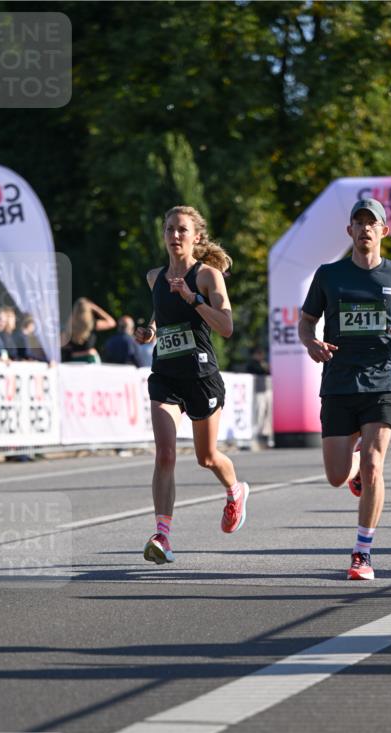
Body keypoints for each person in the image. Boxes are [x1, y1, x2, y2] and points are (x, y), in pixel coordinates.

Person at [299, 198, 391, 581]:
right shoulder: (329, 275)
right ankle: (354, 469)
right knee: (336, 477)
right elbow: (307, 320)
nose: (364, 229)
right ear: (350, 232)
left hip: (383, 381)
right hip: (339, 383)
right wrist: (311, 343)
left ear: (383, 231)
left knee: (375, 462)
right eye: (357, 223)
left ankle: (362, 552)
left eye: (371, 223)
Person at [134, 204, 249, 565]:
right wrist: (149, 331)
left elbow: (226, 327)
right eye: (169, 229)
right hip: (165, 374)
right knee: (165, 453)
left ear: (196, 237)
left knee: (206, 457)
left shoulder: (207, 276)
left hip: (201, 377)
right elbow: (160, 312)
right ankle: (162, 536)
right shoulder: (155, 277)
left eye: (182, 230)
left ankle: (235, 491)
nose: (174, 236)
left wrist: (194, 299)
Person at [61, 297, 115, 362]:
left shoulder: (69, 326)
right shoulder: (92, 325)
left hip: (73, 359)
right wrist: (96, 308)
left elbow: (64, 346)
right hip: (89, 358)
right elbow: (112, 323)